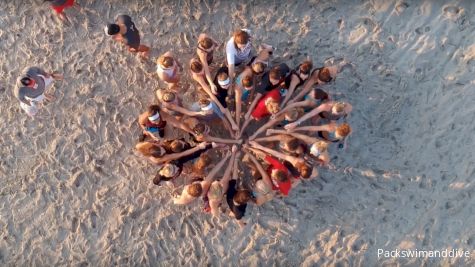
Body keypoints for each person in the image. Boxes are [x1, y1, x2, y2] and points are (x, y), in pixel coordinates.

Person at [248, 141, 314, 180]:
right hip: (285, 154)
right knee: (269, 155)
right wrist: (259, 147)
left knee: (269, 156)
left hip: (286, 157)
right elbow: (279, 155)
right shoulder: (297, 163)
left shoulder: (302, 162)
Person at [266, 129, 330, 166]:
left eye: (313, 152)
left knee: (301, 153)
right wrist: (274, 131)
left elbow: (324, 162)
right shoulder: (310, 141)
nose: (311, 151)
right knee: (300, 151)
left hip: (306, 153)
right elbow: (296, 135)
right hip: (304, 148)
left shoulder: (323, 156)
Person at [206, 146, 239, 216]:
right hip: (223, 190)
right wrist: (233, 153)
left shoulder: (213, 202)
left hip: (221, 193)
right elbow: (229, 168)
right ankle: (233, 153)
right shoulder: (211, 198)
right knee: (228, 173)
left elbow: (215, 214)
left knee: (228, 177)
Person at [284, 101, 352, 130]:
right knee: (314, 123)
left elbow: (346, 114)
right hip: (323, 114)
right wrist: (296, 123)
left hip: (334, 119)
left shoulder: (348, 108)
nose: (333, 112)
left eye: (335, 113)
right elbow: (310, 114)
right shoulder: (325, 106)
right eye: (333, 111)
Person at [287, 122, 352, 150]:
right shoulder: (331, 127)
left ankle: (343, 142)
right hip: (323, 135)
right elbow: (312, 128)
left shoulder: (342, 134)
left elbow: (348, 133)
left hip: (330, 140)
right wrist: (297, 128)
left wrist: (344, 140)